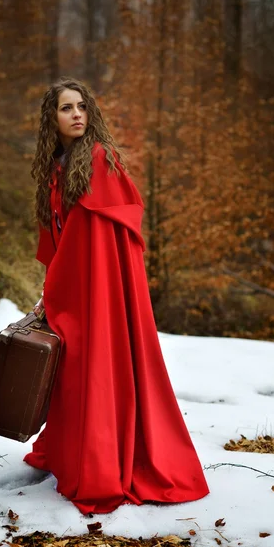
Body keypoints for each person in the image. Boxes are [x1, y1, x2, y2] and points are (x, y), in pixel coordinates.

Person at [23, 77, 210, 515]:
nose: (77, 115)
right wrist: (51, 292)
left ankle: (104, 466)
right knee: (75, 374)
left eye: (82, 107)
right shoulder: (56, 167)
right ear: (52, 118)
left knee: (99, 371)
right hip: (73, 291)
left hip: (100, 295)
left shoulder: (99, 160)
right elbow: (60, 237)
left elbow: (102, 245)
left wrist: (70, 289)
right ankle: (81, 458)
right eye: (67, 108)